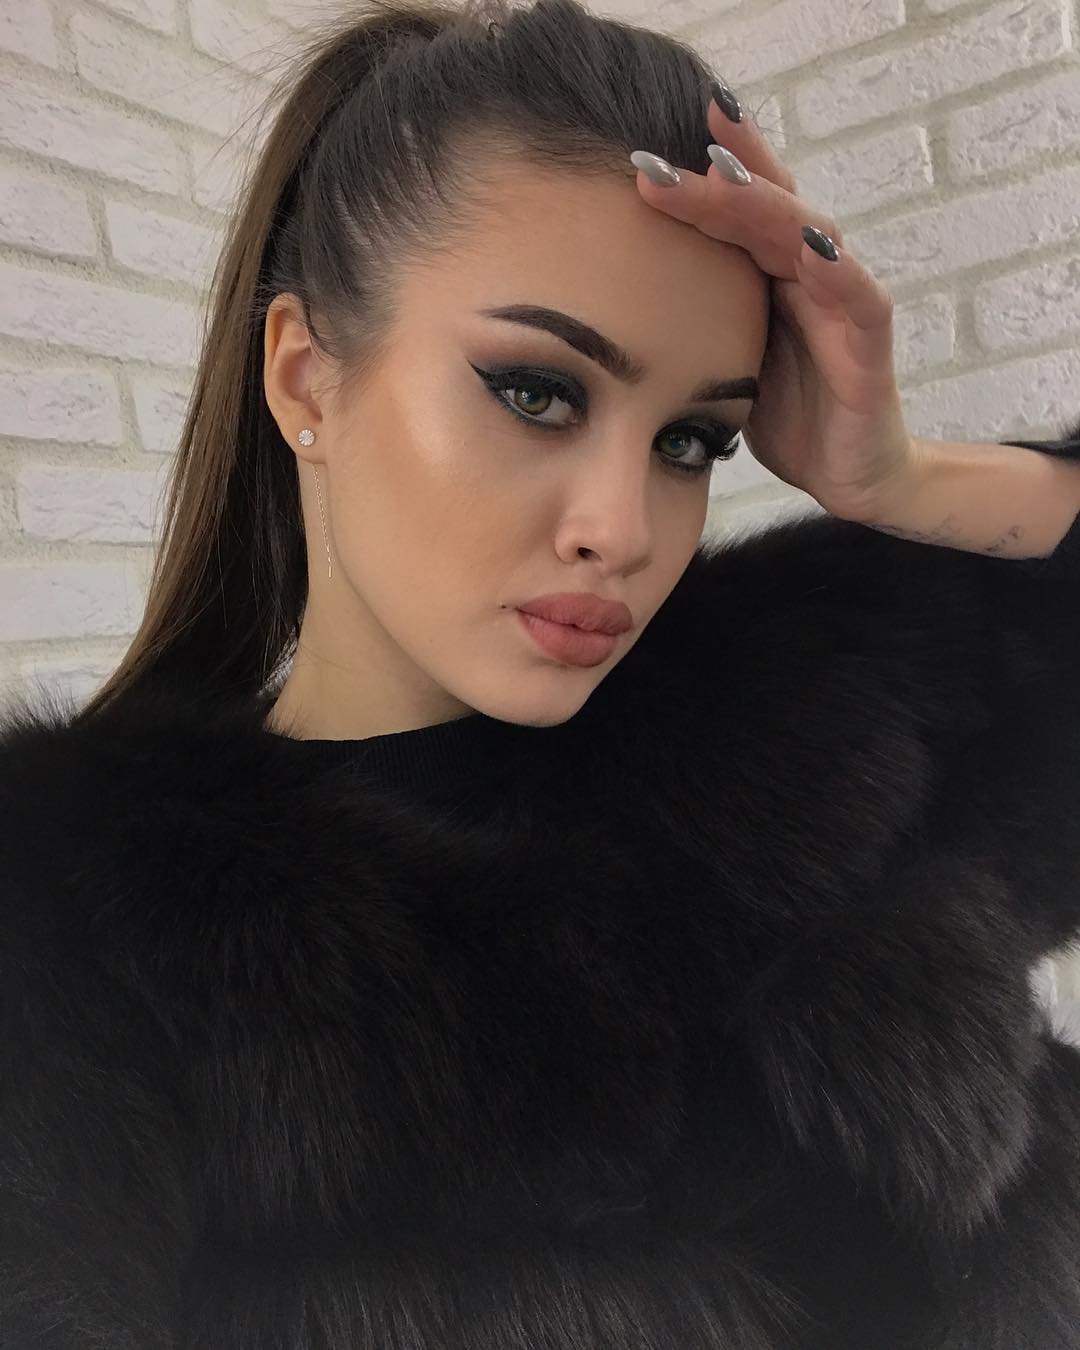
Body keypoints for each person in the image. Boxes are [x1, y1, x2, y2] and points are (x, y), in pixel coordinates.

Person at [1, 0, 1078, 1345]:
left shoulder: (807, 722)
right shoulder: (82, 919)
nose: (621, 529)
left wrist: (899, 478)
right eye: (537, 392)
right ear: (307, 379)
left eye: (693, 440)